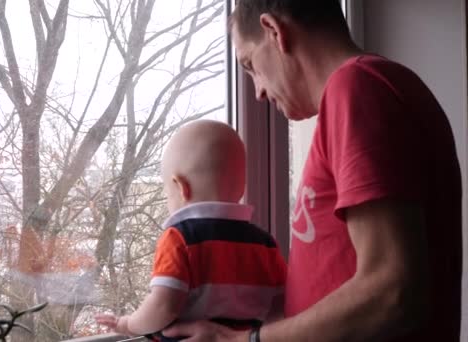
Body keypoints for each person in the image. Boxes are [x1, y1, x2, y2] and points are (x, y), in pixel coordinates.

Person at [162, 1, 463, 341]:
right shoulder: (381, 86)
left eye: (250, 65)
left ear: (274, 31)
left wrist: (239, 341)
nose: (258, 91)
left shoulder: (358, 86)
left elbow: (393, 291)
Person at [95, 120, 287, 341]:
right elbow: (280, 309)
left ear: (180, 187)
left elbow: (163, 306)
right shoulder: (266, 245)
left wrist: (128, 323)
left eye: (167, 193)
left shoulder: (179, 238)